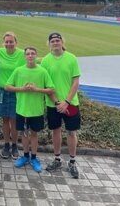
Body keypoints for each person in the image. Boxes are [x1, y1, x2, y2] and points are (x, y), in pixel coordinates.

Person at [5, 47, 54, 173]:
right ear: (25, 56)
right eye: (28, 54)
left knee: (34, 134)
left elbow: (51, 89)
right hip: (22, 109)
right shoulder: (19, 70)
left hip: (36, 110)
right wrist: (22, 89)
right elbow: (8, 86)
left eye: (33, 53)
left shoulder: (42, 71)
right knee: (24, 133)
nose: (30, 56)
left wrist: (37, 89)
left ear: (36, 56)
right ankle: (25, 156)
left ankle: (34, 158)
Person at [41, 32, 81, 179]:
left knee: (71, 132)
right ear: (49, 43)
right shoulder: (45, 61)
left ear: (62, 42)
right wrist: (58, 102)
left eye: (58, 40)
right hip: (53, 104)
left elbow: (75, 82)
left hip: (71, 103)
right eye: (53, 41)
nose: (55, 43)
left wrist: (66, 102)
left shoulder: (71, 58)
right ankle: (57, 159)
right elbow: (46, 84)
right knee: (56, 131)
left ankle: (72, 161)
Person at [0, 31, 25, 159]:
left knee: (14, 120)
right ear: (3, 43)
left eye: (11, 41)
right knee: (5, 119)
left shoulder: (22, 53)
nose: (9, 44)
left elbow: (35, 59)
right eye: (6, 41)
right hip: (2, 91)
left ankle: (15, 145)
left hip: (16, 91)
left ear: (16, 42)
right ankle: (6, 145)